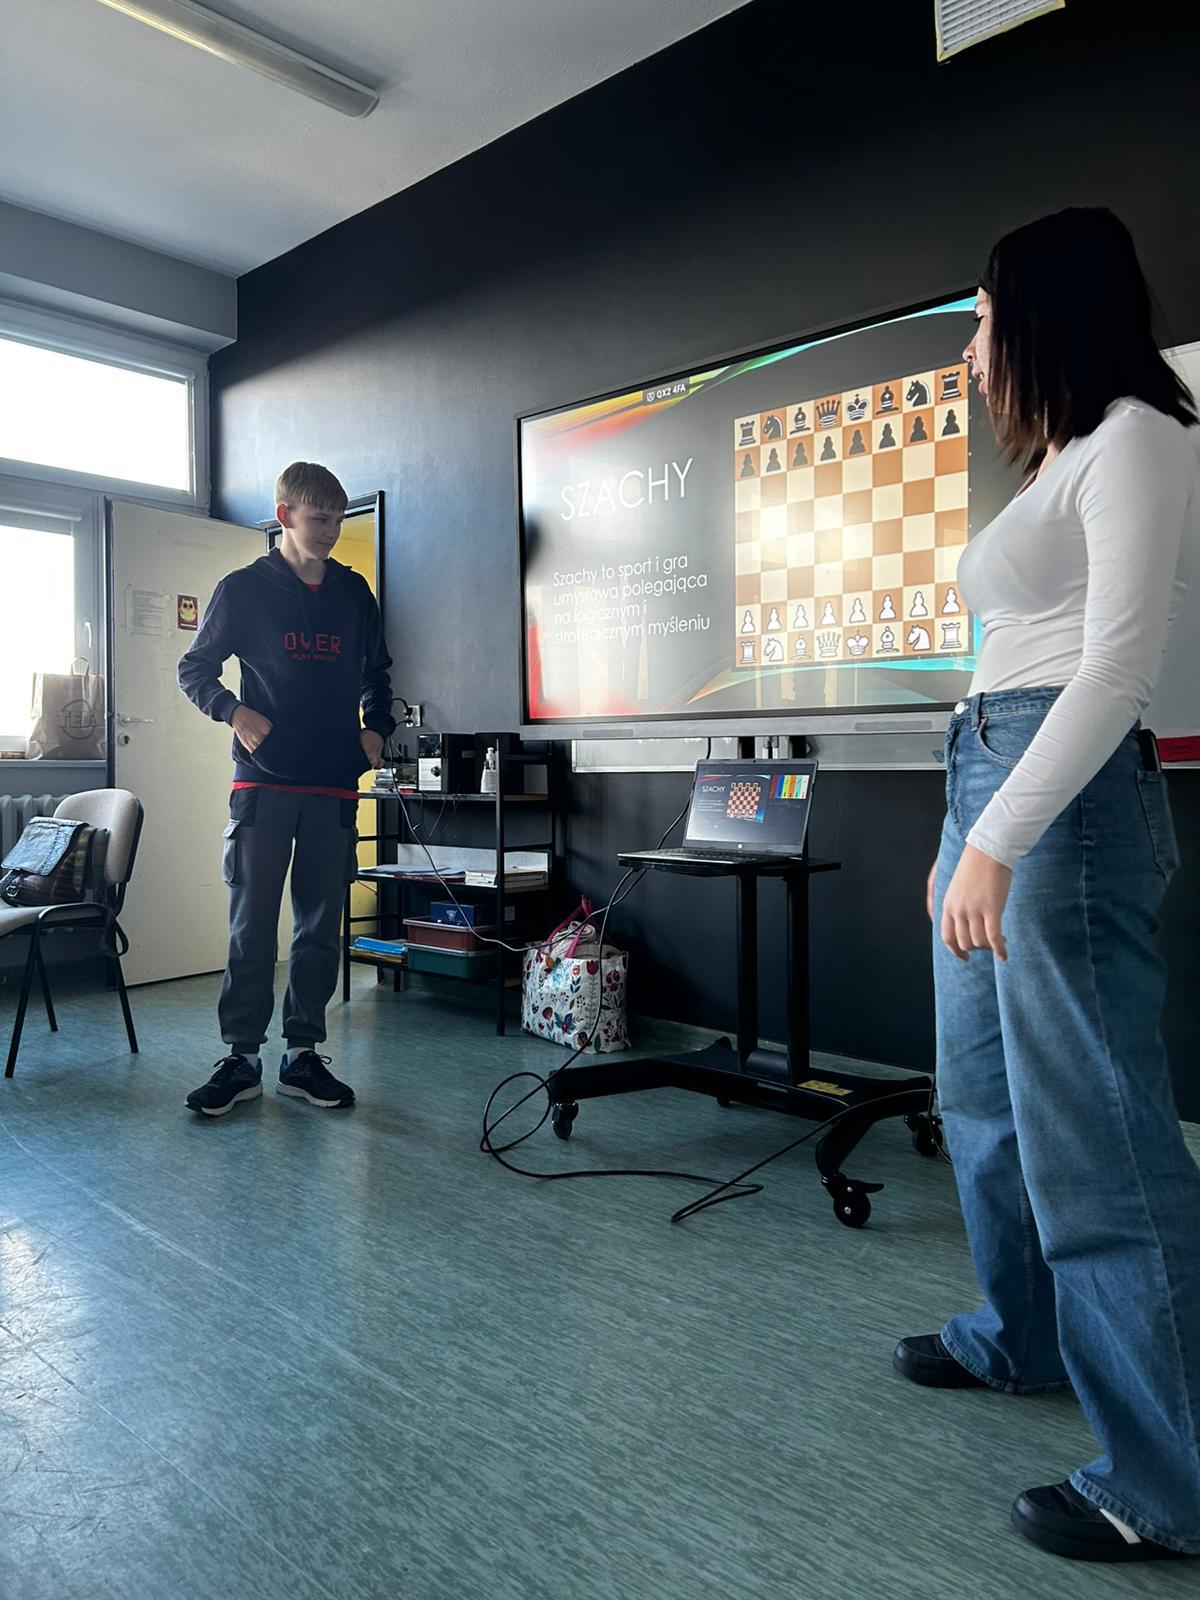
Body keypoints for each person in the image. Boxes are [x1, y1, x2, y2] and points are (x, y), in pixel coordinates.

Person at [892, 208, 1200, 1563]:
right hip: (993, 781)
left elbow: (1115, 669)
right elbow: (1009, 654)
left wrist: (1000, 836)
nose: (970, 350)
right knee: (979, 1098)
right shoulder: (1066, 454)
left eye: (978, 319)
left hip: (1059, 806)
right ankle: (1023, 1334)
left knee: (1100, 1141)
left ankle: (1170, 1478)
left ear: (1042, 312)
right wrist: (959, 835)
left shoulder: (1139, 435)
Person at [178, 462, 395, 1117]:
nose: (330, 530)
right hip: (262, 784)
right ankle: (241, 1059)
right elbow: (195, 668)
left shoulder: (354, 594)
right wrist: (233, 711)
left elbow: (378, 675)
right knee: (251, 927)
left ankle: (302, 1055)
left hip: (333, 784)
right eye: (318, 518)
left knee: (319, 928)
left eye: (337, 519)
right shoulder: (244, 589)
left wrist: (376, 728)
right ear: (285, 516)